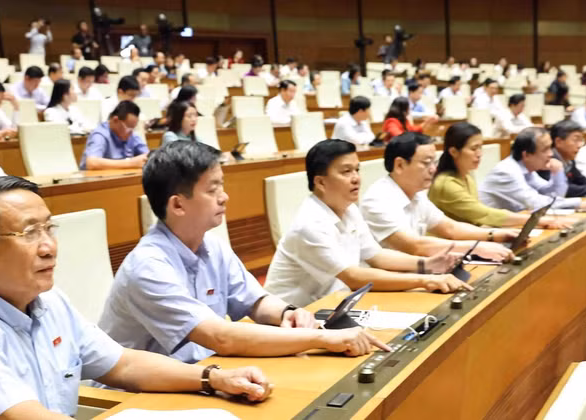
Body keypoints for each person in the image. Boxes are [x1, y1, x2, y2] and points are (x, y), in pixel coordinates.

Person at [0, 176, 274, 419]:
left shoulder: (50, 303)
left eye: (49, 228)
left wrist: (213, 378)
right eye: (30, 233)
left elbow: (124, 364)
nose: (49, 246)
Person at [98, 140, 390, 364]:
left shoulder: (211, 245)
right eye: (213, 190)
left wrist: (288, 314)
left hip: (203, 372)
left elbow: (255, 302)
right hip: (137, 395)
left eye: (221, 186)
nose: (224, 197)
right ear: (177, 205)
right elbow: (220, 337)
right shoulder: (148, 266)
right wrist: (321, 338)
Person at [263, 139, 468, 307]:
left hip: (336, 305)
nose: (356, 178)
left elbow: (376, 256)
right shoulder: (309, 224)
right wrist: (425, 279)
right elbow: (353, 277)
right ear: (320, 182)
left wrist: (426, 265)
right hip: (292, 316)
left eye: (357, 170)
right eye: (346, 172)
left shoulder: (350, 209)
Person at [361, 132, 515, 261]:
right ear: (400, 165)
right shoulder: (377, 200)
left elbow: (450, 228)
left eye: (433, 162)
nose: (433, 169)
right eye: (426, 163)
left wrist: (495, 235)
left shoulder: (417, 194)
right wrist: (476, 247)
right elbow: (414, 246)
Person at [429, 123, 572, 228]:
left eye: (480, 147)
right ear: (454, 152)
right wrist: (537, 221)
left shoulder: (467, 176)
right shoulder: (446, 184)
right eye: (473, 149)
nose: (479, 154)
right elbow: (483, 214)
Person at [479, 127, 586, 212]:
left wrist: (557, 173)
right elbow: (537, 203)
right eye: (545, 149)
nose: (550, 154)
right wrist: (580, 203)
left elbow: (552, 195)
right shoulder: (506, 172)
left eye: (550, 148)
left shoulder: (528, 170)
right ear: (526, 155)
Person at [537, 120, 586, 197]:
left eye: (581, 140)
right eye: (576, 140)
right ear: (558, 142)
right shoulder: (547, 160)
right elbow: (563, 188)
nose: (580, 145)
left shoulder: (569, 159)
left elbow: (581, 179)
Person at [80, 101, 148, 170]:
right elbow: (92, 163)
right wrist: (131, 163)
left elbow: (148, 156)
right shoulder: (100, 135)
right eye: (128, 128)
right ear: (115, 120)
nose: (131, 133)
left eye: (133, 128)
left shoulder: (132, 135)